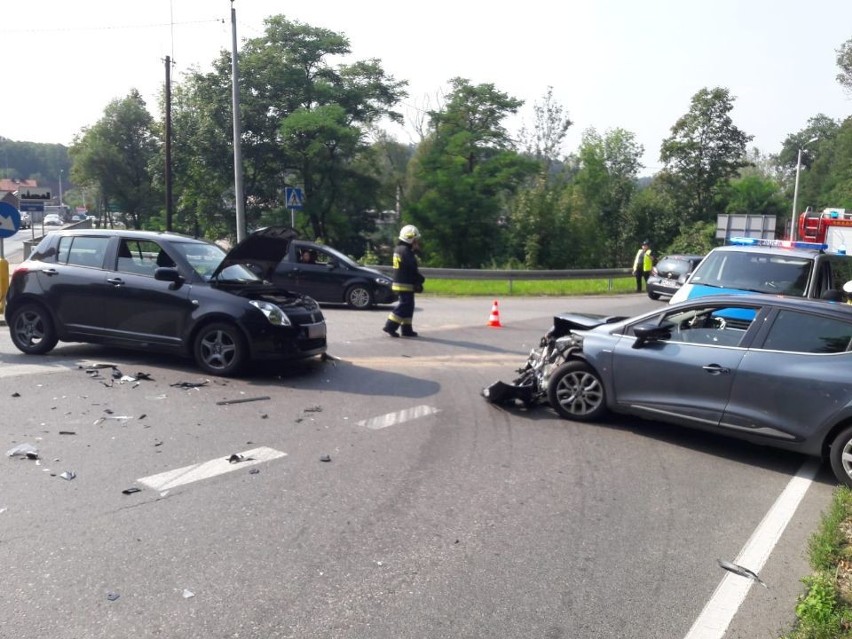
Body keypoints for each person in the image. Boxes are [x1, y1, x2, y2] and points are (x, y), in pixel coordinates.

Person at [383, 224, 425, 338]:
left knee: (409, 306)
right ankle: (390, 325)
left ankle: (407, 329)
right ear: (410, 238)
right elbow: (411, 268)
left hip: (401, 282)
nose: (417, 242)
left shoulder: (399, 249)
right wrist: (419, 280)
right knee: (405, 305)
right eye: (416, 240)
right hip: (404, 283)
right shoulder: (406, 251)